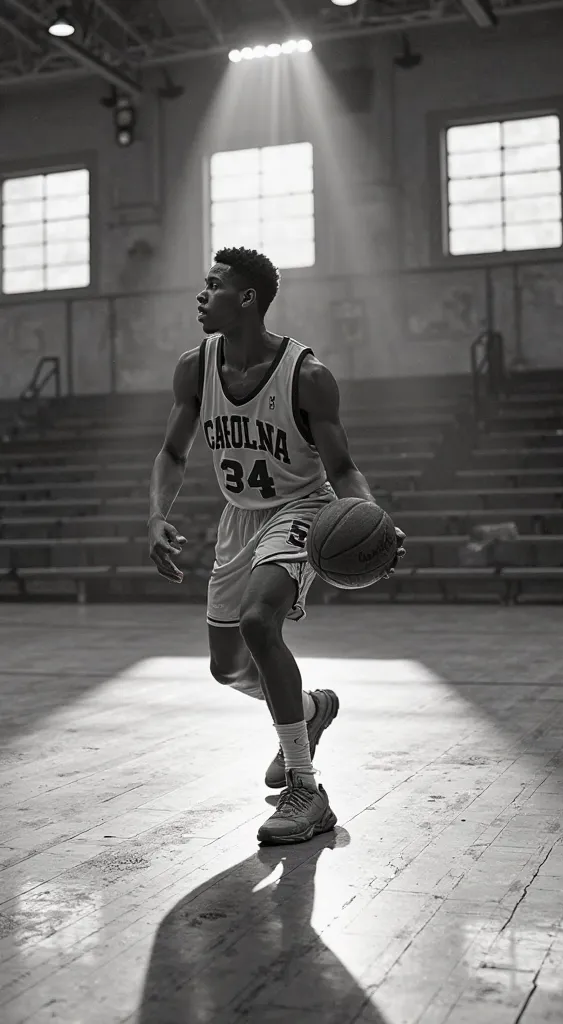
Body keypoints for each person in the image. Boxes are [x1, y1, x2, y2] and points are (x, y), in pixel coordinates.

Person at [148, 247, 404, 846]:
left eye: (213, 286)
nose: (201, 295)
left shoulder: (307, 376)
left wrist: (370, 516)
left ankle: (306, 791)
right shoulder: (195, 368)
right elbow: (172, 454)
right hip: (240, 520)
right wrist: (156, 515)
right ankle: (310, 712)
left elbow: (342, 467)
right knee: (227, 667)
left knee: (260, 623)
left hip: (303, 510)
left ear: (247, 300)